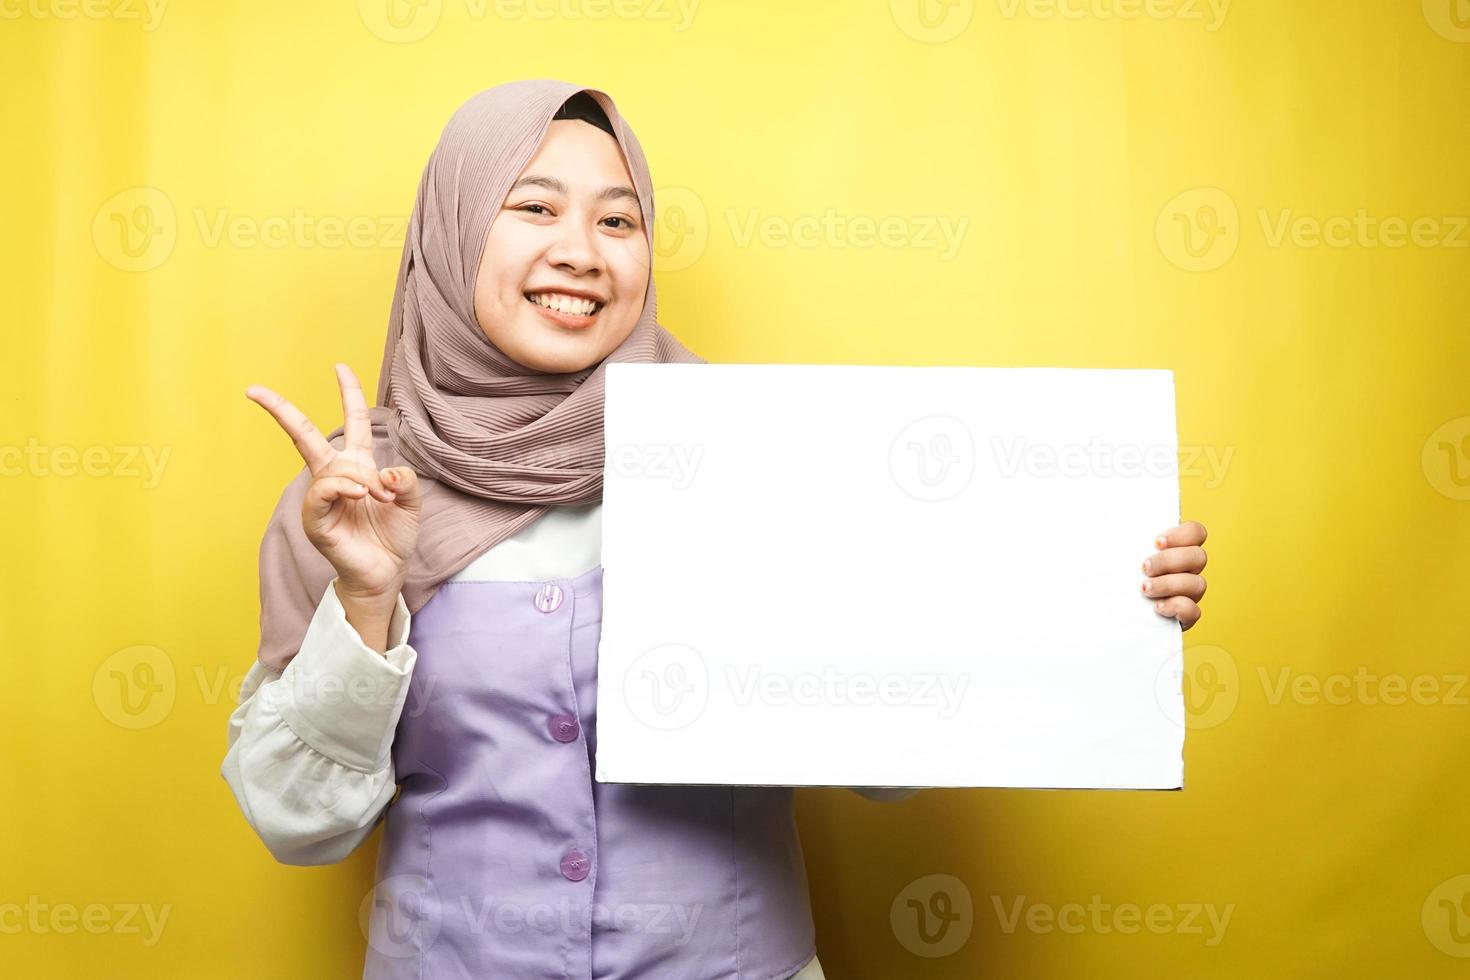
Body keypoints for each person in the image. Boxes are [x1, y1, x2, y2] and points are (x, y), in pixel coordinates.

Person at [222, 79, 1210, 980]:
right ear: (451, 228)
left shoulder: (759, 454)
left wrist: (1107, 599)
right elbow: (297, 825)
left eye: (620, 218)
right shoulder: (352, 499)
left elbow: (893, 765)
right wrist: (364, 593)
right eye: (533, 207)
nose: (581, 249)